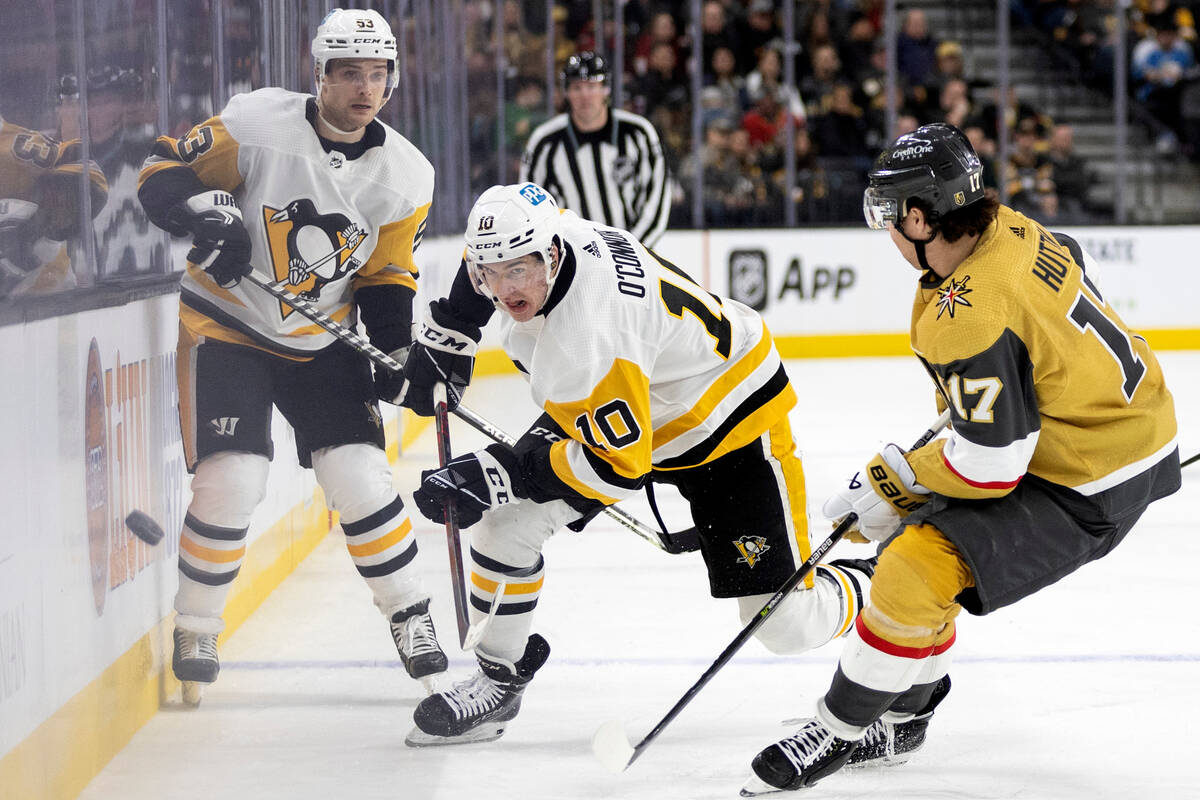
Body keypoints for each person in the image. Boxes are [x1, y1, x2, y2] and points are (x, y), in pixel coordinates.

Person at [395, 181, 949, 757]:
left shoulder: (589, 337)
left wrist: (500, 474)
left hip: (730, 421)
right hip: (641, 396)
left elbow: (617, 469)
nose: (506, 288)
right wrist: (452, 332)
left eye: (520, 271)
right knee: (507, 526)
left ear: (551, 253)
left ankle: (895, 580)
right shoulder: (543, 235)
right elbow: (482, 254)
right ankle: (499, 680)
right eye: (493, 273)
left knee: (788, 624)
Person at [741, 123, 1181, 794]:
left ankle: (840, 727)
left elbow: (993, 464)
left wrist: (894, 481)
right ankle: (911, 712)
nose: (888, 230)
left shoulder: (969, 311)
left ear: (922, 216)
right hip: (1124, 425)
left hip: (1088, 477)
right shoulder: (1014, 230)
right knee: (914, 552)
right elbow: (1070, 261)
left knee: (916, 564)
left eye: (891, 214)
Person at [136, 8, 447, 702]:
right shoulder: (255, 124)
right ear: (320, 75)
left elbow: (387, 275)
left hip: (322, 340)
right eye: (348, 73)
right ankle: (196, 624)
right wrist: (203, 215)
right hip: (228, 326)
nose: (364, 88)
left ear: (391, 82)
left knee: (363, 478)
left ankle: (410, 617)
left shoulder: (406, 175)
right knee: (234, 480)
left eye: (377, 74)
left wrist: (397, 349)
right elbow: (162, 167)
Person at [519, 52, 671, 248]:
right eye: (577, 87)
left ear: (606, 89)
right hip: (573, 261)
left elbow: (655, 204)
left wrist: (628, 253)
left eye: (592, 86)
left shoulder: (639, 134)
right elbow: (531, 207)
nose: (585, 96)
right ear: (566, 92)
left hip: (635, 259)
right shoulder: (544, 142)